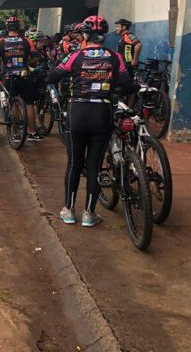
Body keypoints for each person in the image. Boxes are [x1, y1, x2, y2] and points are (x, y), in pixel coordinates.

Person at [46, 15, 137, 227]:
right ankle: (89, 213)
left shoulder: (75, 56)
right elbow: (126, 85)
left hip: (78, 110)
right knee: (94, 163)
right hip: (102, 112)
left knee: (74, 163)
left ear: (85, 34)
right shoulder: (115, 57)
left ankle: (68, 210)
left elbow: (52, 77)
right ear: (104, 35)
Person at [0, 16, 33, 142]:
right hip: (24, 74)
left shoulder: (1, 42)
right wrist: (27, 63)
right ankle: (32, 131)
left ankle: (15, 132)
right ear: (19, 26)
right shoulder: (27, 41)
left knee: (12, 102)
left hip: (8, 76)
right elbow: (36, 58)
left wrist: (2, 63)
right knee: (29, 103)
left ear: (7, 27)